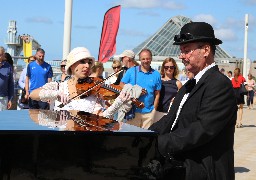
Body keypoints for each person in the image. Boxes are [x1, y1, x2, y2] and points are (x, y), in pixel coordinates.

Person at [149, 22, 237, 179]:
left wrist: (158, 143)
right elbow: (170, 120)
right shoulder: (188, 86)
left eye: (187, 51)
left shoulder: (219, 84)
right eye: (181, 51)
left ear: (205, 50)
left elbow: (202, 129)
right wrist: (144, 136)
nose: (181, 56)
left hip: (205, 171)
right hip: (183, 168)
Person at [29, 47, 133, 119]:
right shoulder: (59, 86)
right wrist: (55, 94)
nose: (87, 66)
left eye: (89, 63)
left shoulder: (94, 93)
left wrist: (117, 103)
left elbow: (102, 118)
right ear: (72, 65)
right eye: (83, 62)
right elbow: (33, 94)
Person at [120, 48, 161, 129]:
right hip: (133, 111)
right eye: (143, 59)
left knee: (145, 139)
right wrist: (133, 91)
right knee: (131, 138)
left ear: (151, 59)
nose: (146, 61)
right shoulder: (131, 71)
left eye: (148, 58)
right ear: (140, 59)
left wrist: (154, 111)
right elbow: (121, 85)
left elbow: (157, 94)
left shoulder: (156, 74)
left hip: (149, 113)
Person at [154, 57, 182, 123]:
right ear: (163, 68)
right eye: (166, 67)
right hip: (156, 112)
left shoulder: (178, 83)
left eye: (171, 67)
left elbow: (180, 99)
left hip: (169, 114)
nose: (169, 69)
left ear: (174, 68)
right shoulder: (158, 81)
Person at [0, 46, 14, 110]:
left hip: (3, 99)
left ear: (3, 55)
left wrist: (10, 99)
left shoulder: (8, 66)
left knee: (2, 119)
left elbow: (11, 84)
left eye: (0, 55)